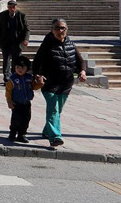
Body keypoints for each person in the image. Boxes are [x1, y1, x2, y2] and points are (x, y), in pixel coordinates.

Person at [31, 18, 87, 149]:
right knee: (53, 110)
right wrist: (37, 75)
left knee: (57, 110)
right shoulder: (47, 45)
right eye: (57, 28)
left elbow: (80, 62)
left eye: (63, 28)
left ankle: (47, 131)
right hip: (49, 84)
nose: (60, 31)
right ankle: (55, 137)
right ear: (52, 30)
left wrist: (82, 72)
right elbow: (37, 63)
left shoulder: (71, 45)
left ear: (66, 30)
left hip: (66, 85)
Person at [5, 55, 42, 143]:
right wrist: (9, 101)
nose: (19, 69)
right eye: (17, 67)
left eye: (22, 67)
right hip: (16, 103)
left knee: (26, 119)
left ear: (27, 68)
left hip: (26, 103)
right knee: (16, 119)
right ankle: (12, 133)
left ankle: (22, 134)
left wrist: (40, 84)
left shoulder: (29, 78)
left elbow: (33, 87)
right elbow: (8, 91)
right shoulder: (12, 79)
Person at [0, 0, 30, 83]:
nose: (11, 9)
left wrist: (26, 39)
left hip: (17, 43)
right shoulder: (2, 15)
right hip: (6, 42)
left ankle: (14, 76)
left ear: (16, 7)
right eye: (10, 7)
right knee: (6, 60)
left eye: (13, 7)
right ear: (7, 7)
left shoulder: (21, 16)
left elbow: (27, 29)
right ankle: (6, 77)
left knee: (16, 60)